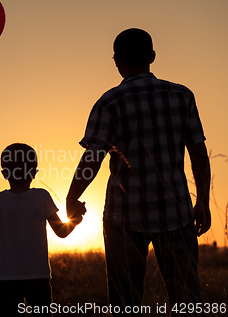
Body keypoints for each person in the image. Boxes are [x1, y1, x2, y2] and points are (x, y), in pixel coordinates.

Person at [66, 28, 211, 316]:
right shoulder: (182, 96)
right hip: (176, 212)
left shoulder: (109, 102)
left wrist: (72, 197)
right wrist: (203, 201)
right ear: (152, 57)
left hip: (124, 218)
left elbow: (92, 158)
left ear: (117, 61)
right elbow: (198, 154)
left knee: (124, 303)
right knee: (188, 301)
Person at [0, 143, 86, 317]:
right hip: (38, 277)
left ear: (4, 174)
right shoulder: (42, 197)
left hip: (7, 278)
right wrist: (76, 218)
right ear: (34, 173)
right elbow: (61, 232)